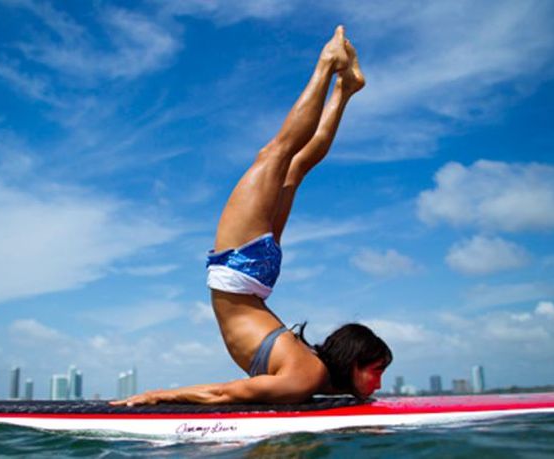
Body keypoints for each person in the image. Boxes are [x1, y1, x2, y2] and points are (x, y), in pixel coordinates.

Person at [111, 26, 392, 406]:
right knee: (278, 153)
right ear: (353, 362)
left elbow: (232, 391)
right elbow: (226, 393)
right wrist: (158, 396)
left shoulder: (314, 375)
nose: (378, 383)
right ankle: (328, 67)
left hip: (250, 276)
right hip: (241, 273)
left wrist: (158, 395)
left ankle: (344, 89)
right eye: (375, 370)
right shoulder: (308, 375)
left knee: (293, 164)